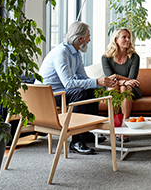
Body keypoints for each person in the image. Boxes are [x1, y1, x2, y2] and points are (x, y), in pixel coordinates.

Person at [38, 21, 117, 155]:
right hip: (47, 96)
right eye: (88, 37)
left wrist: (101, 84)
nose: (89, 40)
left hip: (60, 92)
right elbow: (68, 84)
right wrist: (97, 81)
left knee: (91, 90)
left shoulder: (76, 53)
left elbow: (83, 77)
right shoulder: (61, 53)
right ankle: (75, 141)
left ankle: (85, 132)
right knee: (80, 94)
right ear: (80, 39)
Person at [101, 27, 141, 142]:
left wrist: (117, 77)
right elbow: (109, 79)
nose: (128, 40)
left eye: (129, 37)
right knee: (114, 86)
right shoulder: (106, 57)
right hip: (113, 86)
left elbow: (132, 80)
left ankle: (124, 125)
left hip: (132, 89)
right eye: (124, 37)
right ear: (116, 40)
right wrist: (120, 80)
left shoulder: (134, 57)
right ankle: (115, 125)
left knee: (125, 87)